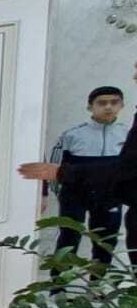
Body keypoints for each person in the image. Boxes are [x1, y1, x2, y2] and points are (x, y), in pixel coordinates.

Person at [21, 74, 136, 261]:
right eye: (102, 103)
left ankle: (97, 279)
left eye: (114, 102)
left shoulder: (127, 135)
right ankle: (59, 279)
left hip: (110, 196)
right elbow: (55, 166)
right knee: (68, 237)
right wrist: (60, 194)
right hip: (74, 195)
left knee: (106, 240)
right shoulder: (72, 135)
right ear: (90, 106)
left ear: (122, 105)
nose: (108, 107)